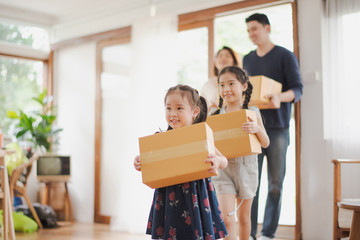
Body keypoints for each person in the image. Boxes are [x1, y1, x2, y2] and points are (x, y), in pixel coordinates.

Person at [134, 84, 229, 240]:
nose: (173, 114)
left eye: (179, 108)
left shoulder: (201, 136)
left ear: (194, 112)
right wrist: (139, 162)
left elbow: (224, 160)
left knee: (194, 233)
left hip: (195, 194)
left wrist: (218, 161)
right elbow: (149, 161)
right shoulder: (160, 138)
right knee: (170, 231)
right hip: (168, 194)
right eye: (168, 108)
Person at [242, 13, 303, 240]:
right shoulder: (248, 59)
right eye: (248, 31)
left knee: (275, 183)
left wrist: (280, 96)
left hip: (277, 129)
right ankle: (248, 232)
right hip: (252, 128)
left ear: (267, 28)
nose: (252, 34)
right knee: (251, 183)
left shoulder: (285, 56)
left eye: (255, 29)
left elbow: (297, 89)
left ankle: (268, 233)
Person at [211, 66, 270, 240]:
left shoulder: (252, 112)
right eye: (222, 85)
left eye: (231, 83)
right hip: (223, 171)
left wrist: (257, 128)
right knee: (227, 219)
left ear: (244, 86)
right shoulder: (215, 115)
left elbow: (266, 142)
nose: (226, 89)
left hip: (247, 169)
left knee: (244, 218)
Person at [201, 46, 241, 111]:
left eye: (227, 56)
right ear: (215, 62)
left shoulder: (241, 82)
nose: (223, 58)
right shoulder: (207, 85)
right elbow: (202, 108)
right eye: (220, 56)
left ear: (234, 61)